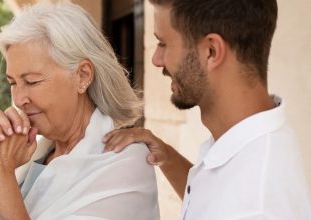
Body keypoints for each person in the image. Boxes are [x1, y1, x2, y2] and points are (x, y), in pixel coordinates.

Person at [103, 0, 311, 219]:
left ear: (211, 51)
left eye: (163, 43)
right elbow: (215, 200)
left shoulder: (255, 208)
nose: (156, 59)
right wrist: (168, 156)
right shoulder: (255, 137)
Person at [0, 2, 159, 220]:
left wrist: (1, 171)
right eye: (13, 82)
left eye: (32, 81)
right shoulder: (37, 154)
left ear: (82, 76)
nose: (18, 99)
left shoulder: (126, 164)